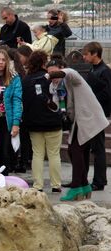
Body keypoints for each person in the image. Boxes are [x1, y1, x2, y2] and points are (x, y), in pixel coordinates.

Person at [46, 60, 109, 201]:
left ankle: (76, 187)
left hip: (90, 117)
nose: (53, 76)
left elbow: (67, 72)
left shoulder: (72, 76)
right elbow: (58, 106)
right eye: (50, 73)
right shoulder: (53, 86)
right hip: (78, 121)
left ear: (61, 69)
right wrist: (50, 104)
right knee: (73, 150)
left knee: (76, 149)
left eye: (54, 72)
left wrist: (49, 75)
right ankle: (84, 185)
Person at [21, 50, 63, 192]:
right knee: (54, 154)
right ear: (44, 62)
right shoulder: (49, 77)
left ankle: (38, 185)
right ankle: (56, 185)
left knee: (37, 154)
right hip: (52, 121)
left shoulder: (25, 80)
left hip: (33, 122)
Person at [82, 41, 111, 191]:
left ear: (95, 54)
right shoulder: (93, 70)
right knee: (89, 148)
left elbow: (107, 94)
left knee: (98, 149)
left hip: (98, 115)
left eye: (86, 54)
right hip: (90, 114)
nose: (84, 57)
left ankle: (99, 181)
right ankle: (83, 178)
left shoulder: (104, 71)